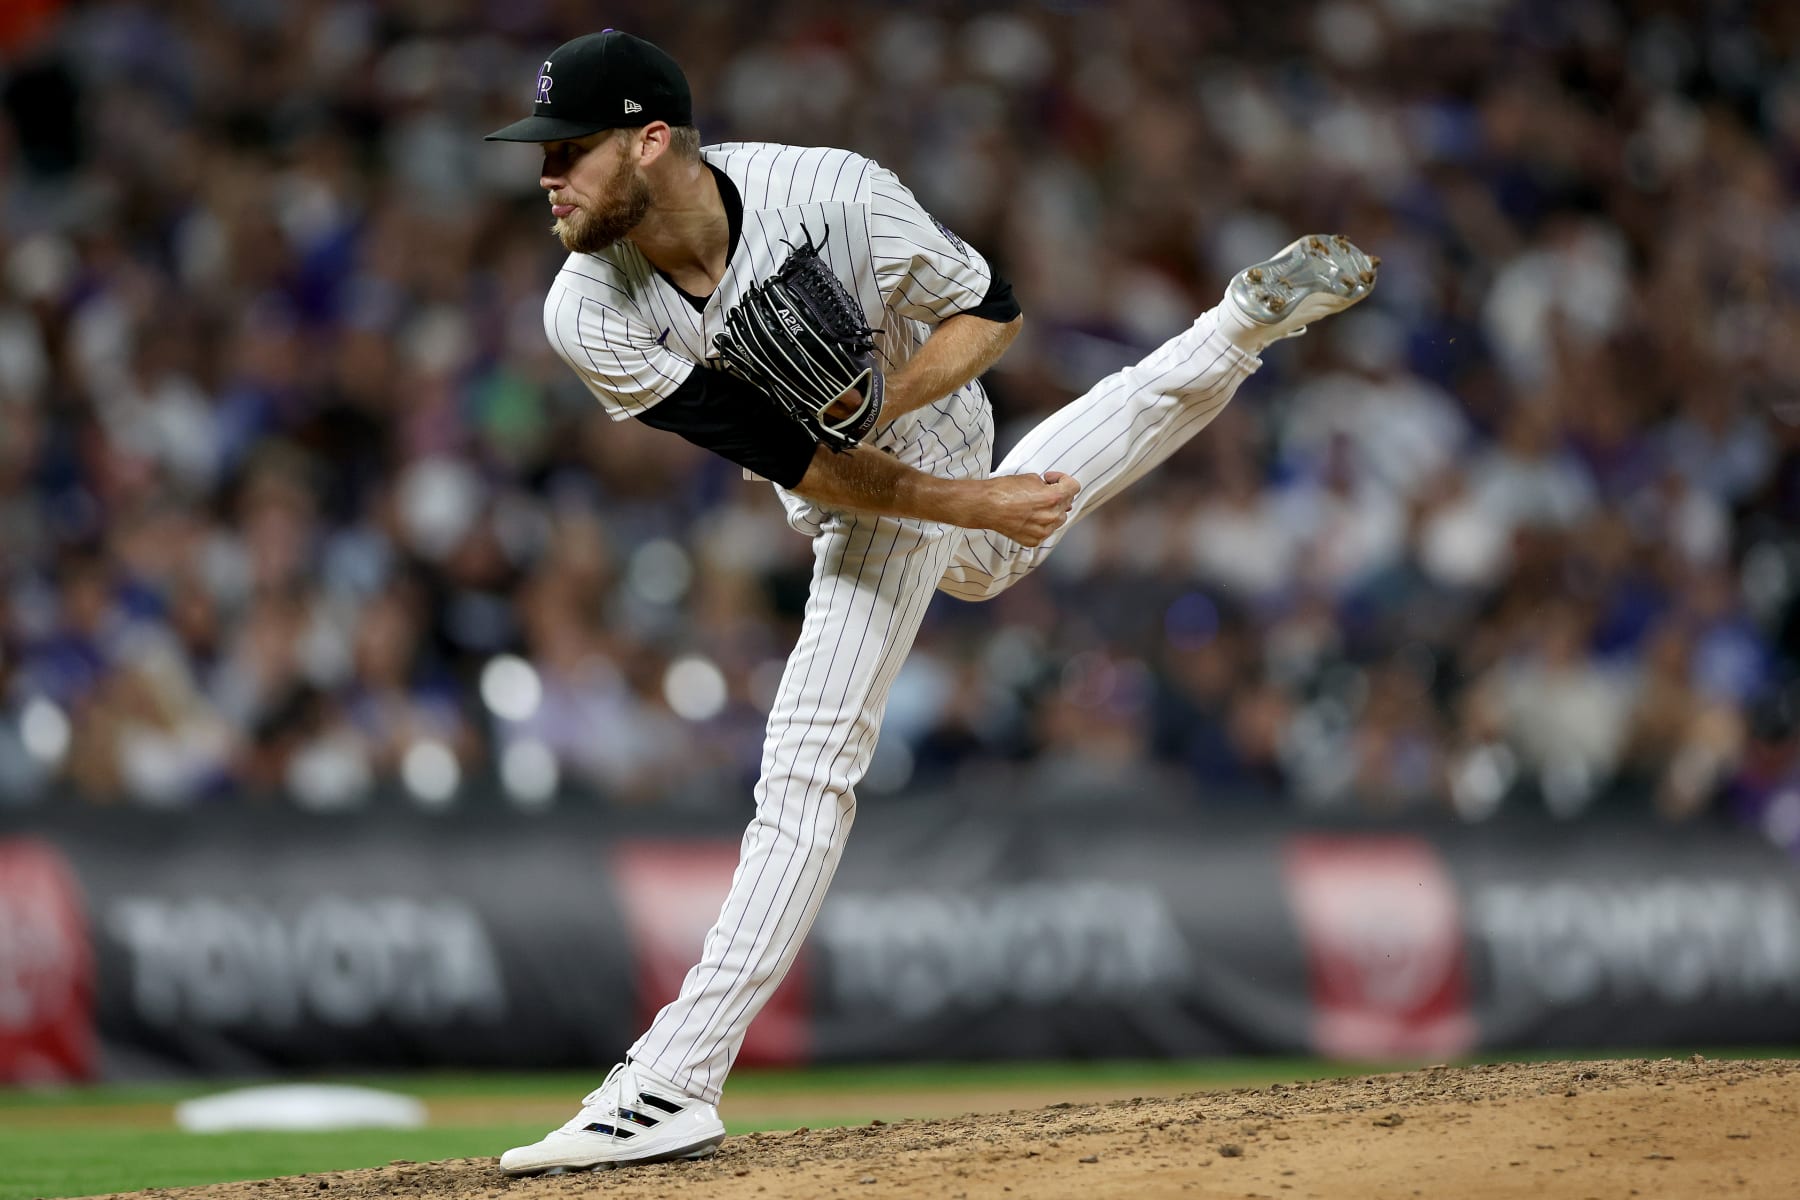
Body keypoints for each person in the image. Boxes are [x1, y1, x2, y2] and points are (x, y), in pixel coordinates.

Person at [484, 30, 1376, 1175]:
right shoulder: (586, 310)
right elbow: (798, 461)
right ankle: (1236, 326)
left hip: (925, 414)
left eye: (569, 149)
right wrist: (966, 505)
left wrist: (890, 408)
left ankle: (671, 1081)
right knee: (996, 554)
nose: (545, 176)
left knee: (809, 758)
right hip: (841, 476)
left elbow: (995, 311)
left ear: (651, 141)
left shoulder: (834, 193)